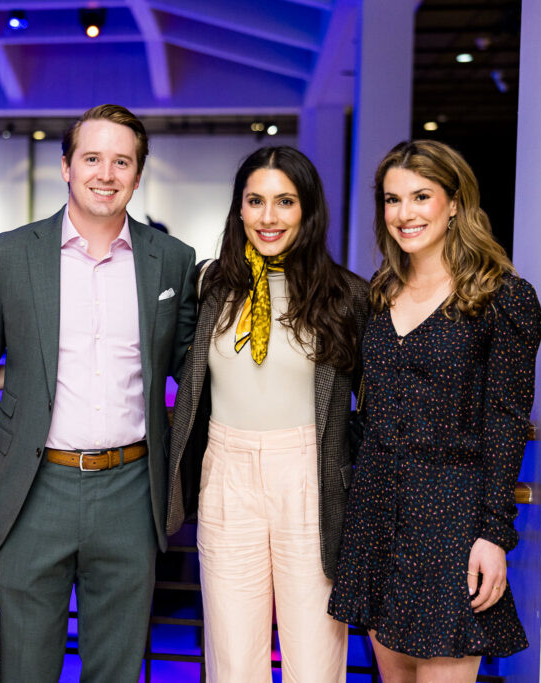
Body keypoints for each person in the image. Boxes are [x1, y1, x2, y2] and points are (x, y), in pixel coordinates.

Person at [0, 104, 197, 682]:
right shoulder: (10, 254)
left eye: (121, 161)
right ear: (66, 167)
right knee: (23, 666)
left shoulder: (171, 260)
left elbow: (195, 367)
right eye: (92, 158)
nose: (106, 173)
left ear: (138, 173)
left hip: (130, 489)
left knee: (117, 671)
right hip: (33, 489)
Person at [328, 140, 541, 681]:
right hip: (377, 511)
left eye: (421, 196)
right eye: (392, 199)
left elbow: (507, 422)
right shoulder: (378, 294)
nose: (404, 213)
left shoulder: (504, 298)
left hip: (451, 518)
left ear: (454, 203)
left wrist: (494, 535)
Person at [166, 146, 368, 681]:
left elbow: (374, 406)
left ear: (308, 210)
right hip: (226, 471)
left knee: (315, 658)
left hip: (310, 473)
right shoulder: (211, 287)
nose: (268, 217)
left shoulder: (347, 296)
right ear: (239, 210)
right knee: (231, 659)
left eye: (285, 201)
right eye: (255, 201)